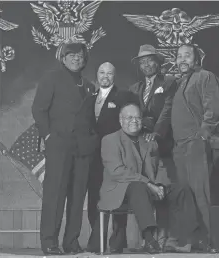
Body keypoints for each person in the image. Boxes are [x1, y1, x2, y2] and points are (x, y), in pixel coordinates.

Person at [98, 103, 199, 254]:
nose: (134, 121)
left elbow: (160, 167)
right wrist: (149, 184)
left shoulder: (149, 141)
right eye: (129, 117)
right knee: (137, 187)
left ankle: (180, 240)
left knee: (180, 189)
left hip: (147, 190)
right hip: (119, 191)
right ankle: (149, 239)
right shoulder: (109, 140)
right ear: (121, 120)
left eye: (138, 117)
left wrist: (160, 185)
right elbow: (117, 171)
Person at [32, 42, 99, 255]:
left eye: (80, 56)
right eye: (71, 55)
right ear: (63, 58)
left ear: (84, 59)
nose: (76, 59)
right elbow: (38, 109)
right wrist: (48, 136)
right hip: (59, 145)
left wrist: (91, 140)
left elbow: (90, 119)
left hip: (82, 149)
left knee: (78, 197)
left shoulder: (88, 85)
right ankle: (50, 242)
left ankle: (71, 242)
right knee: (55, 195)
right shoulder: (51, 78)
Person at [171, 43, 219, 253]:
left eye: (187, 56)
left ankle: (206, 241)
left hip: (196, 143)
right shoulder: (179, 83)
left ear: (196, 60)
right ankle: (190, 240)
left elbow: (214, 109)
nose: (182, 59)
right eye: (179, 56)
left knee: (200, 193)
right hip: (180, 147)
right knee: (186, 194)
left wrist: (202, 135)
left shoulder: (205, 77)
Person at [129, 44, 178, 244]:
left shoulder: (169, 82)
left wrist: (156, 133)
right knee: (144, 187)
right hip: (140, 145)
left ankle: (164, 234)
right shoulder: (135, 88)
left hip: (162, 143)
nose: (146, 64)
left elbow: (167, 111)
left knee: (162, 187)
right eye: (142, 62)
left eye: (150, 60)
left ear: (158, 63)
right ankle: (147, 236)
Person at [86, 62, 137, 253]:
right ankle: (96, 240)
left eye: (109, 73)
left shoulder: (124, 96)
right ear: (97, 75)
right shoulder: (89, 99)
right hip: (94, 158)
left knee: (118, 197)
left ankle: (118, 241)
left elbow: (130, 123)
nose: (105, 76)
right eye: (101, 72)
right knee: (94, 198)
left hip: (117, 155)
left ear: (114, 76)